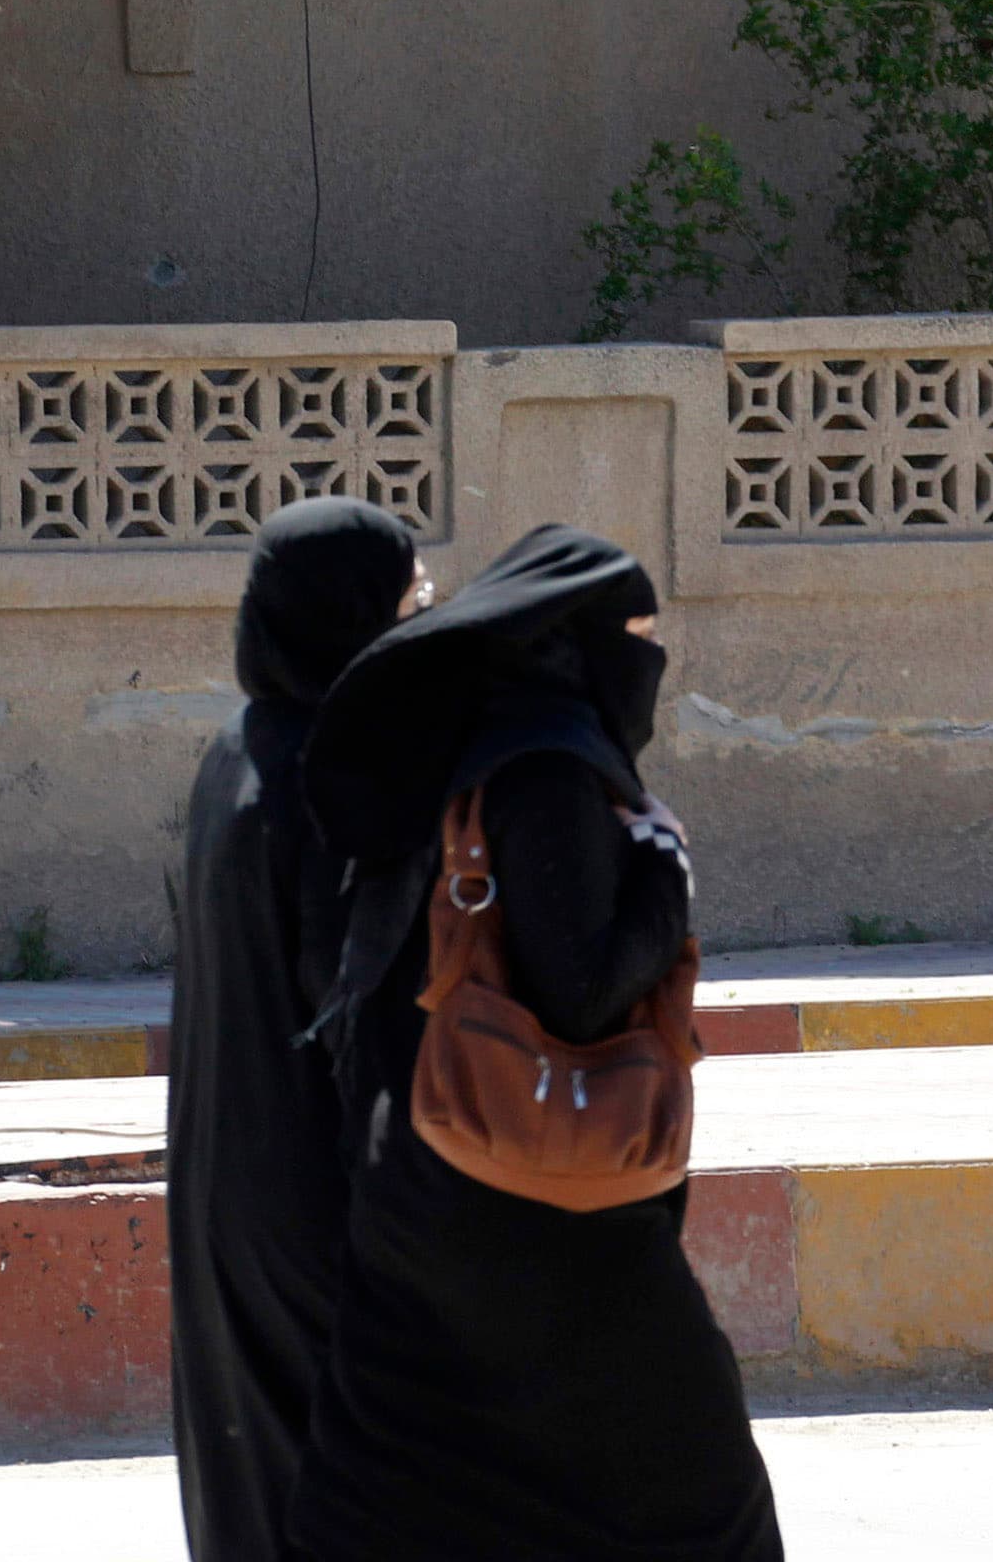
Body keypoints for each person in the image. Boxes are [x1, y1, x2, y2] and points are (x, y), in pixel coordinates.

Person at [293, 525, 783, 1562]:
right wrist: (665, 869)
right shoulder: (547, 766)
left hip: (423, 1185)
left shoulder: (457, 744)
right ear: (582, 644)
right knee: (698, 1494)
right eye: (638, 635)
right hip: (534, 1221)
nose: (650, 657)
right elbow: (585, 982)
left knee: (419, 1476)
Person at [169, 498, 426, 1562]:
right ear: (352, 614)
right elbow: (352, 1006)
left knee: (254, 1475)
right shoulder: (336, 773)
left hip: (224, 1182)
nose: (422, 619)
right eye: (410, 600)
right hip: (314, 1194)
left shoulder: (238, 749)